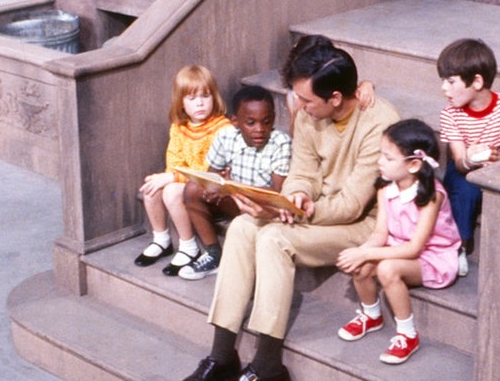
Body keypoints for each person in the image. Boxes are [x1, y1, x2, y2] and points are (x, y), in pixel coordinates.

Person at [181, 41, 399, 381]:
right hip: (314, 212)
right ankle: (222, 355)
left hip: (361, 225)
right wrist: (295, 195)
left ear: (336, 98)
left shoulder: (379, 122)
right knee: (241, 227)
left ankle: (268, 364)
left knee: (273, 239)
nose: (301, 107)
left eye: (308, 100)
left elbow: (352, 205)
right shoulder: (314, 113)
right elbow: (303, 171)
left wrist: (297, 212)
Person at [334, 118, 461, 365]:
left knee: (386, 267)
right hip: (397, 246)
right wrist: (360, 252)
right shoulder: (385, 189)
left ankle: (408, 334)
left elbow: (415, 248)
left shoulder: (431, 195)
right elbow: (380, 233)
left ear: (414, 164)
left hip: (432, 257)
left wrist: (368, 254)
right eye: (381, 155)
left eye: (388, 158)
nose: (380, 162)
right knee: (361, 263)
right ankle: (371, 315)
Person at [436, 38, 500, 277]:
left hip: (498, 168)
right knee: (463, 188)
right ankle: (458, 245)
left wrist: (492, 159)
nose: (444, 89)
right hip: (466, 169)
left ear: (477, 81)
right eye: (443, 82)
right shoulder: (451, 114)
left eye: (451, 81)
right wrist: (470, 159)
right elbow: (458, 162)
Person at [179, 85, 293, 281]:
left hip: (264, 210)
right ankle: (214, 253)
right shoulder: (226, 136)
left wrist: (231, 188)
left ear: (273, 118)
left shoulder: (280, 142)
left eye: (266, 122)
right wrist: (217, 187)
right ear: (235, 121)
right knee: (192, 189)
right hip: (236, 201)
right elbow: (212, 175)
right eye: (250, 123)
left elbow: (276, 194)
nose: (259, 129)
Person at [135, 65, 234, 276]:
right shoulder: (179, 127)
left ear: (214, 97)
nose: (199, 103)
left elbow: (209, 171)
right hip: (187, 181)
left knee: (170, 190)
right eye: (191, 98)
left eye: (205, 96)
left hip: (209, 191)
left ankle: (189, 246)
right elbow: (175, 162)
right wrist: (169, 176)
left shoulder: (222, 128)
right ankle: (161, 239)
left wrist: (172, 177)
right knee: (151, 187)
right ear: (181, 102)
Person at [280, 34, 377, 132]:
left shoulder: (331, 85)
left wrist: (367, 84)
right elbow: (294, 134)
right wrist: (296, 113)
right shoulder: (295, 95)